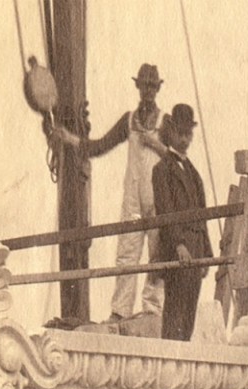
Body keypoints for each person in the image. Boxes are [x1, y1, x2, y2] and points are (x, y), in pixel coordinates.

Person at [55, 63, 169, 322]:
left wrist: (156, 144)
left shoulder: (165, 122)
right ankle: (120, 311)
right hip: (133, 197)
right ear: (137, 86)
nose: (148, 90)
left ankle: (153, 310)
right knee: (126, 253)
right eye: (144, 85)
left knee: (158, 252)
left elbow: (177, 158)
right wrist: (70, 139)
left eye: (153, 85)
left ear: (158, 88)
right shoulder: (129, 120)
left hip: (158, 196)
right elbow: (100, 146)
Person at [150, 104, 210, 342]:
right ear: (171, 133)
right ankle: (171, 366)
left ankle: (183, 366)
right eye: (180, 134)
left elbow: (203, 215)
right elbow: (165, 211)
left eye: (189, 134)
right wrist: (179, 245)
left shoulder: (194, 172)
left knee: (189, 315)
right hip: (178, 250)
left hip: (196, 249)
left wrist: (206, 251)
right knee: (175, 312)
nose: (185, 139)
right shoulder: (162, 170)